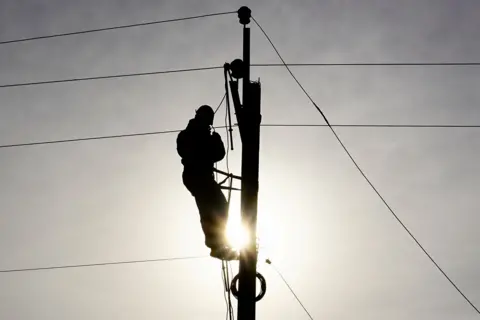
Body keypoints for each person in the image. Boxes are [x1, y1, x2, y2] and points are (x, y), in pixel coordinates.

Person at [177, 105, 238, 260]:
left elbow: (218, 154)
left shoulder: (205, 136)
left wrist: (215, 140)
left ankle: (218, 243)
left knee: (219, 207)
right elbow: (186, 151)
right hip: (196, 176)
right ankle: (215, 245)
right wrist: (208, 144)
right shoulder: (188, 134)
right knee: (210, 208)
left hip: (201, 176)